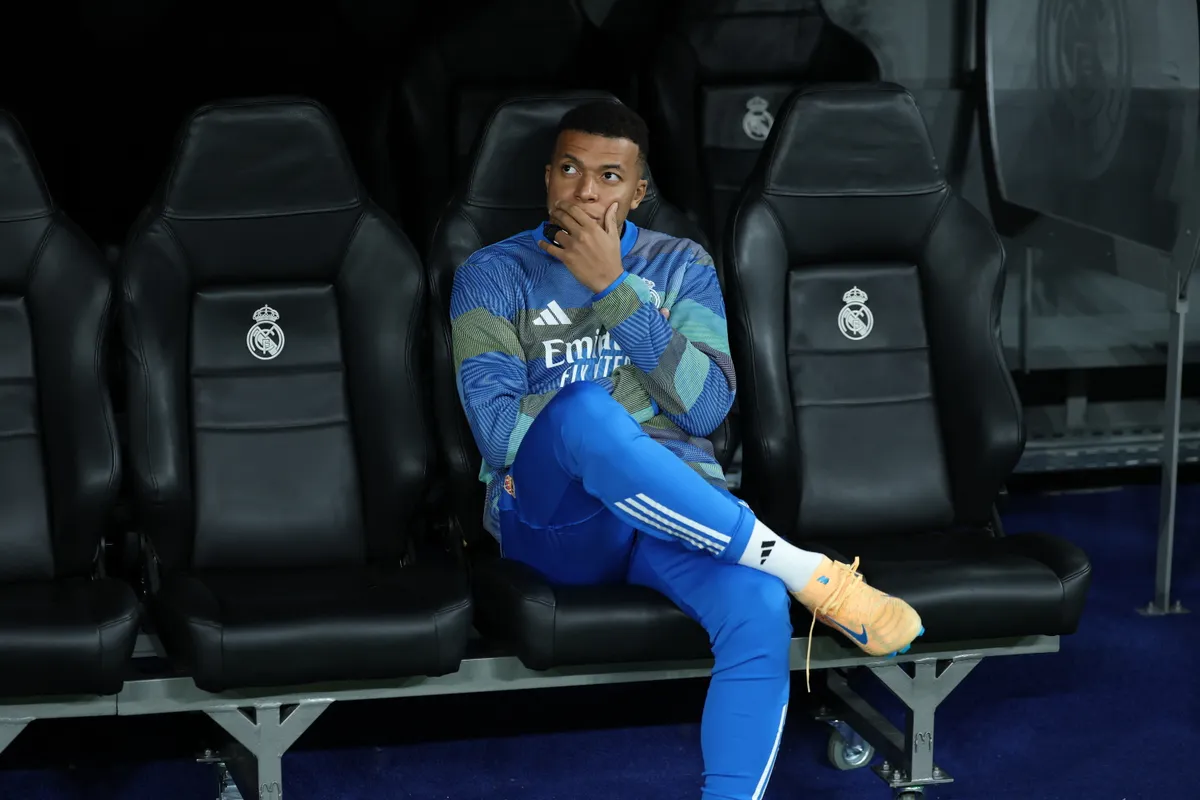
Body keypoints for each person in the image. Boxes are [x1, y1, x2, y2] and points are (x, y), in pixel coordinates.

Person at [449, 100, 923, 800]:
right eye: (571, 169)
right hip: (556, 521)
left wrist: (614, 289)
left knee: (759, 607)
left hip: (672, 514)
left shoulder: (681, 266)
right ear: (547, 176)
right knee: (585, 411)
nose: (586, 191)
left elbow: (707, 406)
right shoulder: (492, 274)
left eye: (610, 175)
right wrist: (627, 408)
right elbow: (496, 430)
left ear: (638, 192)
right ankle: (803, 567)